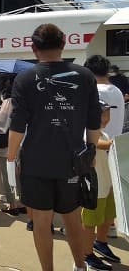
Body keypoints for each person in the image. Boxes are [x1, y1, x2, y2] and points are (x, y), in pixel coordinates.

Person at [8, 23, 101, 271]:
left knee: (41, 222)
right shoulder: (85, 76)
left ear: (33, 47)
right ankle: (80, 266)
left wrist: (11, 157)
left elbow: (17, 125)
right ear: (63, 44)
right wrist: (90, 155)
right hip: (73, 161)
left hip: (36, 163)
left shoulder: (25, 78)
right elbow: (94, 123)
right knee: (72, 218)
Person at [83, 55, 124, 270]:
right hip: (108, 160)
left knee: (101, 208)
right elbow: (92, 137)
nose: (106, 116)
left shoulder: (92, 93)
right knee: (101, 208)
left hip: (102, 163)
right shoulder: (116, 90)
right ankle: (93, 247)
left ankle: (92, 248)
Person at [79, 101, 119, 271]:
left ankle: (100, 243)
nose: (107, 117)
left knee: (108, 216)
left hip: (107, 185)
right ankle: (87, 254)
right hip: (94, 186)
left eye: (108, 113)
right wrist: (114, 144)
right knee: (90, 222)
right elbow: (95, 146)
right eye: (104, 113)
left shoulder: (103, 132)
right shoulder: (85, 132)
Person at [0, 86, 23, 215]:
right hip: (20, 145)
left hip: (5, 146)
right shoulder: (21, 105)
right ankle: (22, 202)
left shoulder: (3, 106)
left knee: (7, 175)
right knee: (19, 174)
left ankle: (11, 204)